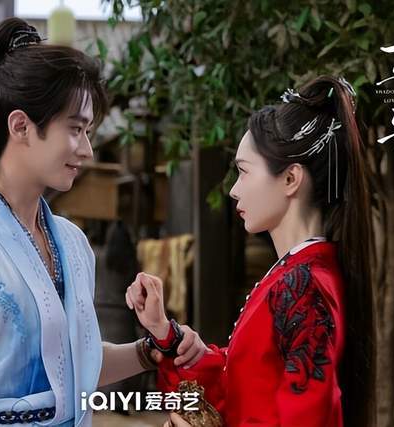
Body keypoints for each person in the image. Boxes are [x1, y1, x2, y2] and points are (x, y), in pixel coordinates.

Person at [0, 18, 202, 427]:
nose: (87, 149)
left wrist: (151, 350)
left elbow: (72, 368)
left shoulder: (72, 244)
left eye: (88, 131)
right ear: (21, 126)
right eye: (75, 129)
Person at [126, 76, 375, 427]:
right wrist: (167, 335)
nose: (233, 191)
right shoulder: (300, 275)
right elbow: (240, 385)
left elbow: (304, 417)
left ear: (290, 179)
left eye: (243, 172)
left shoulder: (304, 286)